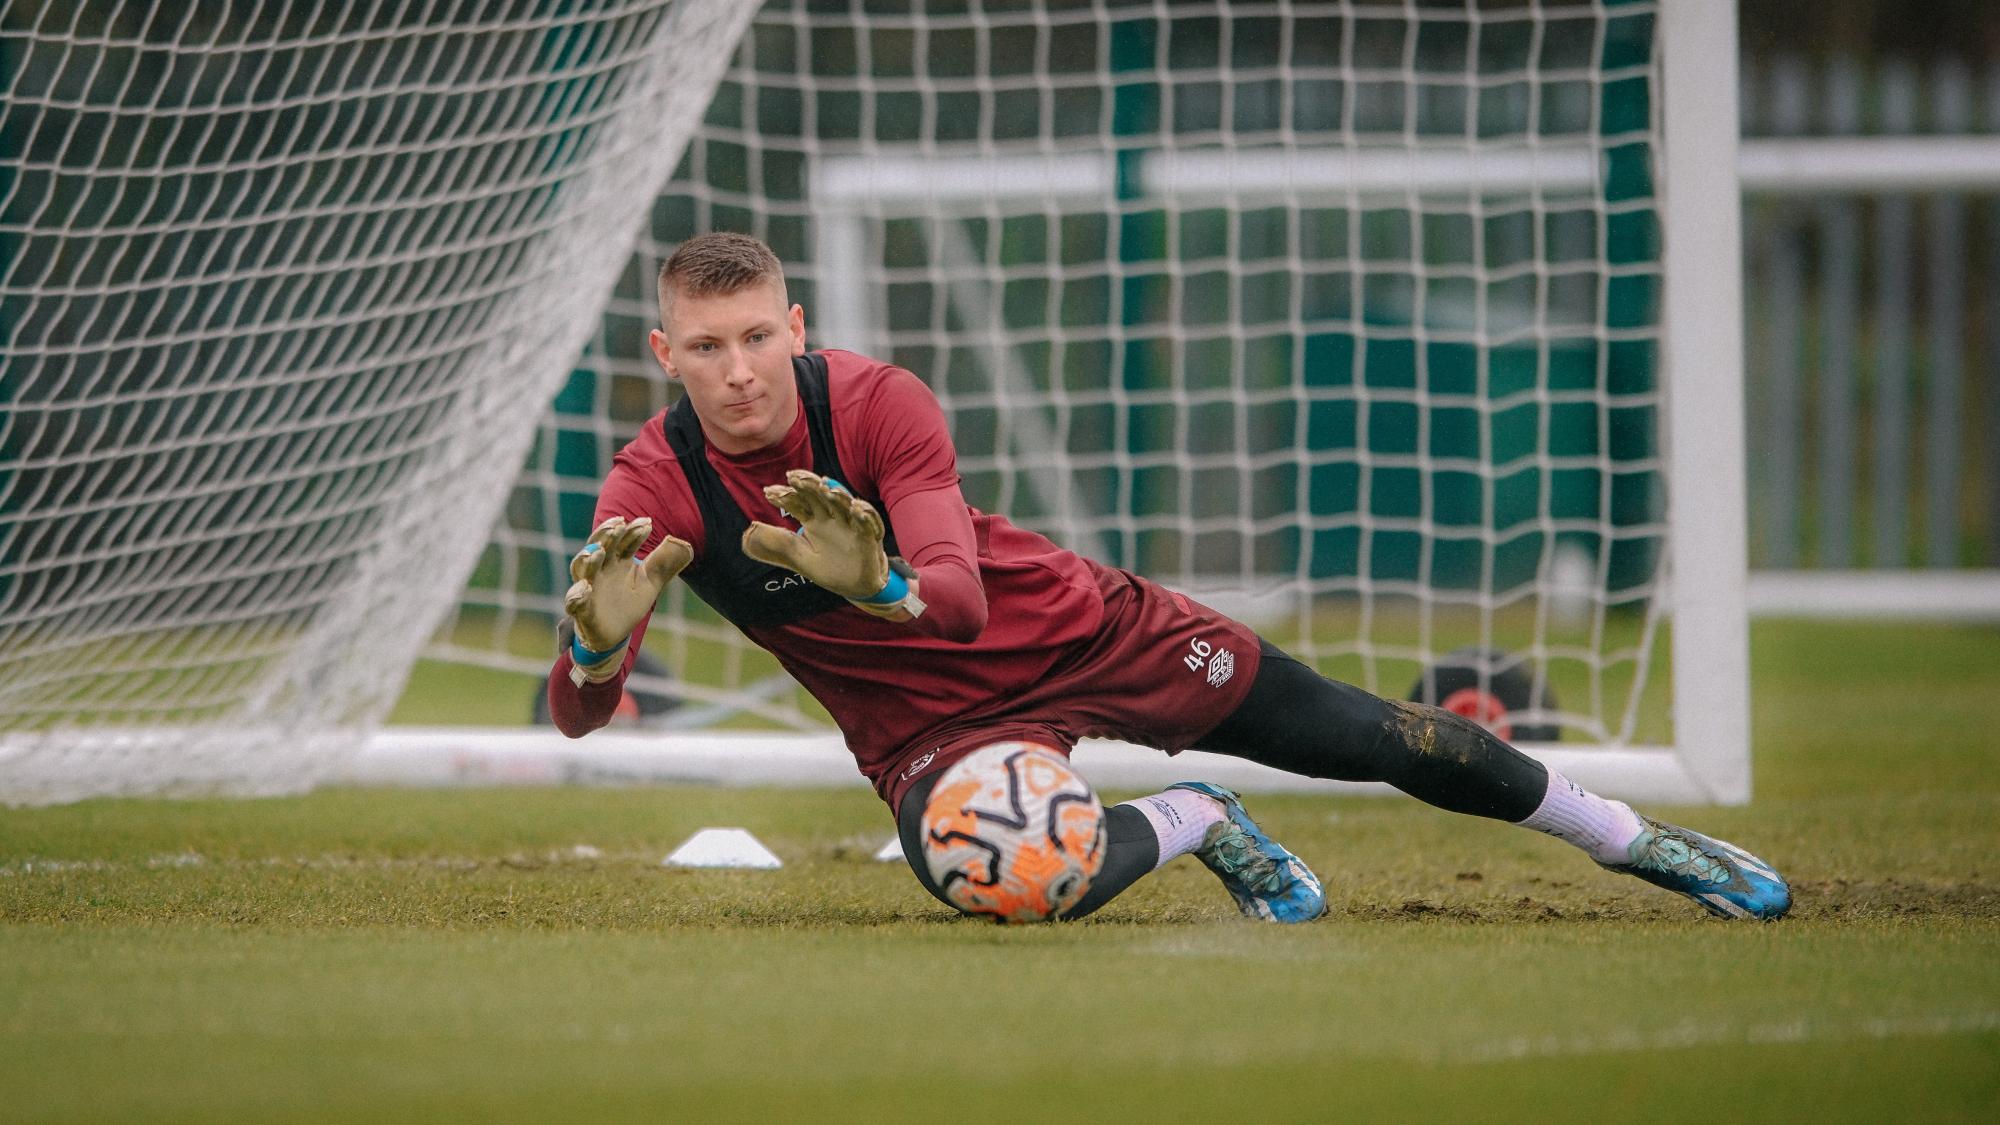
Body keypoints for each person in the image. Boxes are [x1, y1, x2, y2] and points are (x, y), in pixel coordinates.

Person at [548, 232, 1791, 924]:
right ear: (666, 354)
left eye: (758, 337)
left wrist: (878, 588)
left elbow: (965, 603)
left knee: (1381, 738)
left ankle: (1634, 843)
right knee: (1016, 884)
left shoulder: (878, 402)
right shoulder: (650, 491)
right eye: (706, 349)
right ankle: (1200, 819)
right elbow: (578, 715)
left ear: (796, 328)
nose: (739, 371)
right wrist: (598, 653)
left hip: (1084, 632)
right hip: (933, 732)